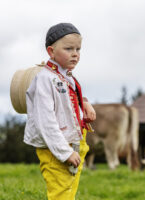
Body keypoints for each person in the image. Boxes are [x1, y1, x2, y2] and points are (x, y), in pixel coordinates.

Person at [24, 23, 96, 200]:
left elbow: (66, 102)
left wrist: (84, 103)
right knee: (60, 193)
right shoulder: (45, 79)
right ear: (51, 51)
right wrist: (64, 152)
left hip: (74, 142)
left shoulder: (65, 76)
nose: (75, 54)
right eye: (68, 48)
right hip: (55, 149)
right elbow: (45, 121)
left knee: (69, 190)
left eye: (78, 49)